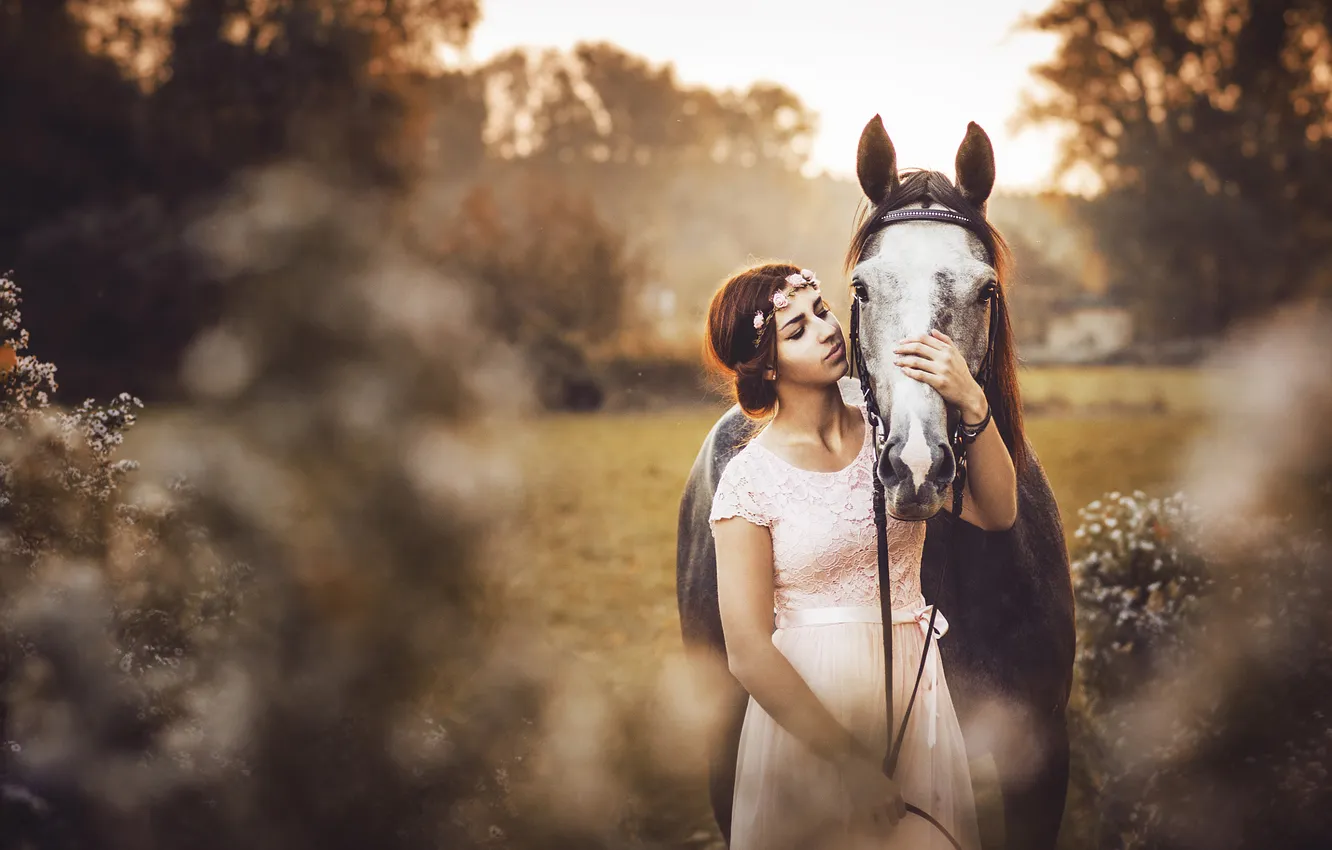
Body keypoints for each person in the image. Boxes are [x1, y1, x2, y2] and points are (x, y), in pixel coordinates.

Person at [704, 261, 1017, 850]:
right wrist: (848, 764)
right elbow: (746, 651)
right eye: (795, 331)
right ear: (767, 366)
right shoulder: (750, 480)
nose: (825, 331)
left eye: (821, 312)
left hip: (911, 692)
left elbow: (996, 513)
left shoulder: (894, 438)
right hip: (811, 713)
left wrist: (973, 405)